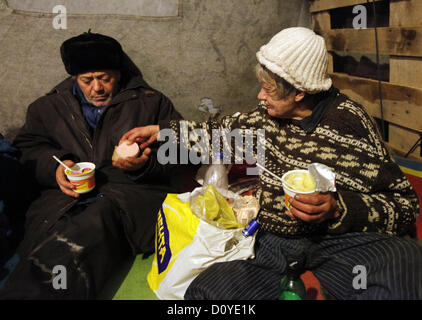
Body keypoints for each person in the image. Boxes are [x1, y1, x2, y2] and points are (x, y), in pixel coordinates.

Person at [120, 27, 422, 299]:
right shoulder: (265, 119)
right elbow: (218, 133)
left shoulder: (350, 126)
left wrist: (338, 207)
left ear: (299, 91)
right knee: (206, 293)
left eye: (269, 89)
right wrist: (161, 131)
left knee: (404, 273)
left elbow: (405, 205)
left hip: (340, 239)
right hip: (275, 240)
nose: (259, 95)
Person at [0, 31, 193, 299]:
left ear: (119, 73)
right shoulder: (48, 107)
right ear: (74, 78)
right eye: (86, 80)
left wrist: (140, 165)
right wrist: (56, 168)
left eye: (105, 78)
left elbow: (181, 152)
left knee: (91, 228)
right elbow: (27, 149)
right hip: (62, 200)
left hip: (128, 198)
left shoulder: (150, 102)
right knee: (50, 237)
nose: (97, 88)